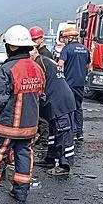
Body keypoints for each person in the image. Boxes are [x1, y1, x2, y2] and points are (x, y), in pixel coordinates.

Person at [0, 25, 45, 202]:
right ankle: (20, 193)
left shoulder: (8, 69)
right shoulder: (37, 68)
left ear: (10, 47)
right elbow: (41, 94)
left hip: (7, 126)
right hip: (29, 126)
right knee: (24, 155)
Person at [32, 47, 77, 176]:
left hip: (59, 101)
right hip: (59, 99)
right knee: (53, 131)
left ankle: (64, 165)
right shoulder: (45, 60)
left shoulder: (39, 63)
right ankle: (51, 158)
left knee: (63, 132)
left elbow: (38, 85)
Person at [58, 26, 91, 141]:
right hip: (80, 83)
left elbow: (60, 64)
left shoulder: (67, 49)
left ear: (70, 38)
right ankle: (79, 132)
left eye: (65, 38)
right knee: (78, 107)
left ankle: (71, 132)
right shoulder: (85, 49)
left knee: (69, 107)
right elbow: (88, 66)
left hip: (69, 83)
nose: (64, 40)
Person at [29, 26, 52, 151]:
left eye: (35, 39)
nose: (33, 42)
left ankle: (44, 139)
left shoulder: (45, 54)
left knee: (42, 117)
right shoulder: (41, 53)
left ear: (42, 39)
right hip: (42, 89)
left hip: (45, 89)